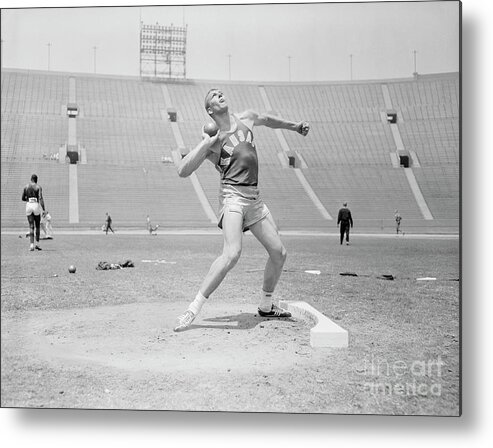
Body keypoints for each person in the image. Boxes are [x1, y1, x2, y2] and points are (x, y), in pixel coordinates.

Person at [173, 88, 310, 332]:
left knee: (279, 253)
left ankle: (266, 305)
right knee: (232, 253)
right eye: (214, 95)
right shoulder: (213, 142)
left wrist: (295, 126)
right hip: (232, 197)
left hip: (254, 199)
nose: (219, 94)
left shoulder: (246, 118)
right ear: (210, 110)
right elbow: (183, 170)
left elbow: (268, 120)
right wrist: (206, 144)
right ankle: (193, 309)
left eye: (220, 92)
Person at [22, 174, 45, 251]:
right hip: (36, 205)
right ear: (36, 180)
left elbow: (22, 198)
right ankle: (37, 244)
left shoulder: (26, 186)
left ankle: (31, 245)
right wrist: (44, 209)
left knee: (31, 226)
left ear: (31, 179)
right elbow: (41, 198)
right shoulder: (38, 187)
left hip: (28, 205)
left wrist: (28, 199)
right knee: (37, 225)